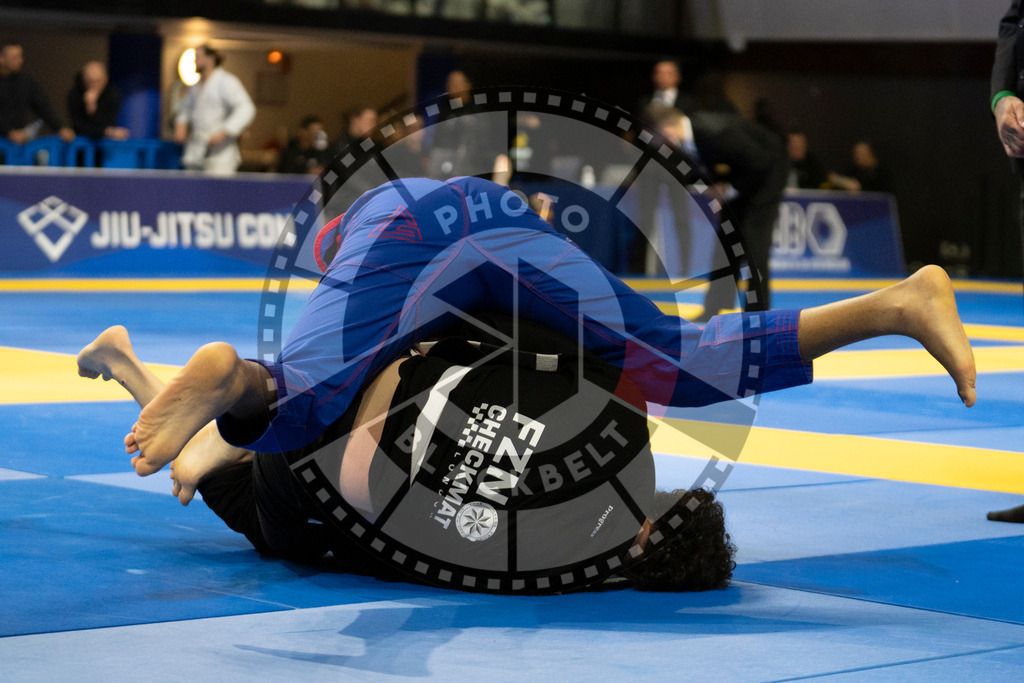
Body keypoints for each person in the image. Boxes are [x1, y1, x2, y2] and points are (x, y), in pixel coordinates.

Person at [646, 104, 790, 319]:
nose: (660, 147)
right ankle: (714, 308)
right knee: (726, 241)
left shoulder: (716, 133)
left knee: (752, 244)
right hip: (744, 174)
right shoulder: (692, 137)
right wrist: (722, 189)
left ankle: (758, 316)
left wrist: (729, 190)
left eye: (659, 141)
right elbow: (723, 164)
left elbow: (760, 162)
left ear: (667, 131)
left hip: (768, 174)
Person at [173, 44, 255, 175]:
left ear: (210, 59)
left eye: (198, 57)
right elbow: (185, 109)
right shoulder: (195, 86)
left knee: (219, 193)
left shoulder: (226, 81)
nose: (195, 61)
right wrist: (181, 124)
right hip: (196, 151)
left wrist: (225, 131)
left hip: (220, 154)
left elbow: (247, 108)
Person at [0, 41, 75, 145]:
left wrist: (60, 128)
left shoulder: (26, 82)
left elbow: (43, 107)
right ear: (2, 58)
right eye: (14, 57)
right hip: (4, 137)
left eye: (20, 57)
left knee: (41, 156)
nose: (20, 61)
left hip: (19, 141)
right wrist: (7, 132)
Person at [66, 61, 129, 141]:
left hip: (104, 145)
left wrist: (93, 109)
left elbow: (108, 123)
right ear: (84, 79)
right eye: (90, 81)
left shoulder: (113, 95)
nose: (94, 85)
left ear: (106, 79)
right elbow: (79, 126)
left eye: (98, 81)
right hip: (81, 146)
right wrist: (89, 106)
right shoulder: (75, 95)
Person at [828, 140, 892, 193]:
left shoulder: (883, 173)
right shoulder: (853, 169)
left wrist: (859, 188)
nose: (857, 156)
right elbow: (832, 177)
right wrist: (846, 182)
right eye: (856, 153)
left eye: (862, 153)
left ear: (871, 154)